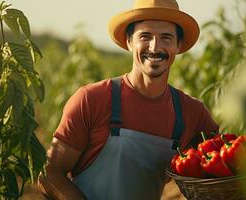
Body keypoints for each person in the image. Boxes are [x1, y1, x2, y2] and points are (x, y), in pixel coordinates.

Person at [38, 0, 219, 199]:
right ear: (129, 41)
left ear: (178, 45)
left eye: (166, 38)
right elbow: (50, 174)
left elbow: (221, 168)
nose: (155, 47)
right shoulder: (91, 100)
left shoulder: (192, 113)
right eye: (145, 36)